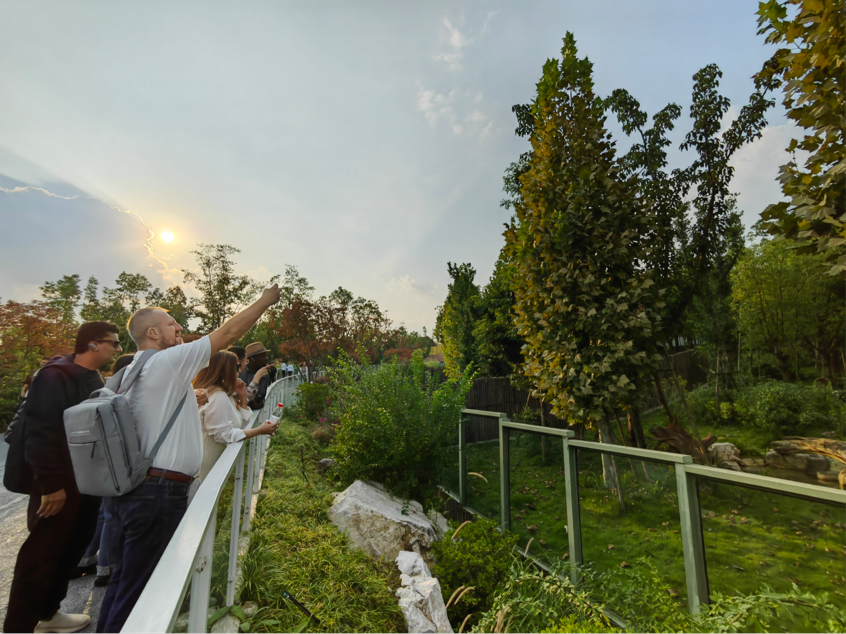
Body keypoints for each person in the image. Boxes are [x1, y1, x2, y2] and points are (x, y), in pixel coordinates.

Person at [96, 285, 280, 634]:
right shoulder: (166, 361)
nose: (179, 329)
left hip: (133, 490)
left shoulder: (131, 370)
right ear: (153, 334)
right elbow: (229, 333)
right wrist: (265, 301)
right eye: (172, 325)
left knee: (124, 583)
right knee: (142, 592)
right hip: (157, 493)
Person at [4, 322, 122, 634]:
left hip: (82, 480)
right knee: (41, 555)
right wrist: (51, 485)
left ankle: (48, 613)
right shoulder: (54, 376)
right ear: (94, 344)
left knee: (71, 548)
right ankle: (19, 626)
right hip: (57, 484)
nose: (118, 349)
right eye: (113, 343)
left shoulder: (89, 377)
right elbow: (39, 433)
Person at [194, 351, 278, 482]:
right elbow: (225, 435)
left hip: (212, 465)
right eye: (237, 367)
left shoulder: (224, 394)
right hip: (205, 469)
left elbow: (240, 424)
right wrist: (260, 431)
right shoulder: (217, 396)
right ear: (226, 370)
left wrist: (242, 397)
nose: (239, 372)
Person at [238, 342, 277, 410]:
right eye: (263, 356)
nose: (266, 358)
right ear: (252, 359)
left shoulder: (264, 373)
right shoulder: (239, 372)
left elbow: (259, 400)